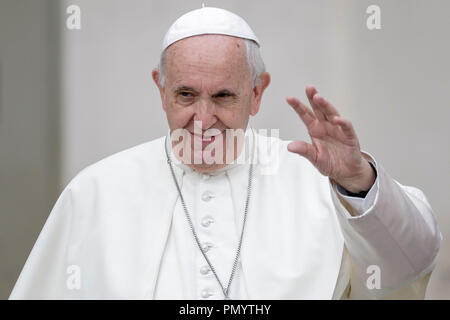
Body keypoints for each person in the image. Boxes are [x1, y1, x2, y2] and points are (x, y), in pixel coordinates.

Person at [10, 6, 441, 300]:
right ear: (161, 90)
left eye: (222, 96)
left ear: (256, 94)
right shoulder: (96, 190)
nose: (203, 118)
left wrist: (359, 183)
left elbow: (411, 261)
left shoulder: (316, 178)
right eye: (185, 95)